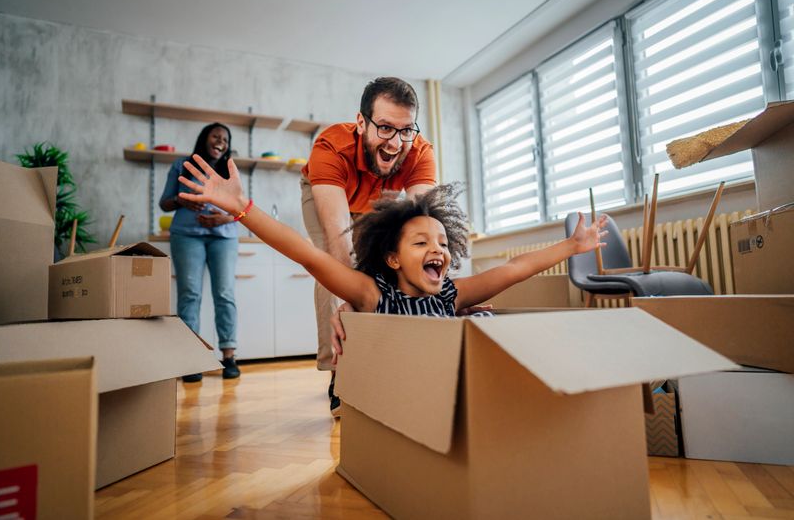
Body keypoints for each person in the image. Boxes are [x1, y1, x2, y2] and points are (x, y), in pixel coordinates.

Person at [178, 155, 608, 383]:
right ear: (393, 257)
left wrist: (572, 245)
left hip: (450, 390)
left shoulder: (449, 295)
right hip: (397, 392)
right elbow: (308, 256)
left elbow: (514, 269)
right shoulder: (372, 296)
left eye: (442, 242)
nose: (436, 248)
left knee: (485, 317)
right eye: (420, 242)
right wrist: (242, 208)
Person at [300, 77, 436, 415]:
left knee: (389, 264)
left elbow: (425, 232)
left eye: (406, 130)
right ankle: (339, 373)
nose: (396, 142)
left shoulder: (419, 152)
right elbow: (339, 241)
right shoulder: (330, 147)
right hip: (330, 195)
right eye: (386, 128)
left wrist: (439, 296)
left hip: (378, 198)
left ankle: (384, 361)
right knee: (333, 269)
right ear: (361, 122)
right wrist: (350, 301)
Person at [159, 123, 241, 382]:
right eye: (216, 136)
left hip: (223, 237)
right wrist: (181, 200)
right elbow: (164, 202)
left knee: (225, 294)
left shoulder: (229, 171)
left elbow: (242, 210)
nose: (221, 142)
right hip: (187, 235)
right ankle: (190, 359)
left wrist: (223, 219)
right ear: (204, 139)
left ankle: (228, 357)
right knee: (190, 295)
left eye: (225, 139)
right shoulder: (182, 165)